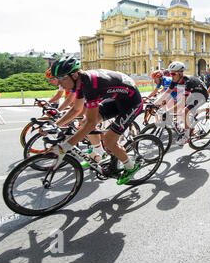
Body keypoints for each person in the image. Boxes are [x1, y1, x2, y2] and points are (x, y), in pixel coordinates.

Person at [49, 56, 143, 185]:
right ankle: (98, 153)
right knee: (84, 122)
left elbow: (91, 123)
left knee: (109, 140)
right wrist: (54, 125)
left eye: (61, 78)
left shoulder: (90, 84)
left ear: (75, 75)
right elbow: (76, 109)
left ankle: (131, 167)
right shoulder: (81, 82)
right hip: (117, 99)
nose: (59, 83)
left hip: (132, 103)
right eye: (57, 79)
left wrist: (65, 146)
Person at [154, 61, 209, 146]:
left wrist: (168, 111)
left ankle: (186, 137)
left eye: (173, 74)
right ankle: (189, 125)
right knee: (177, 107)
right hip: (192, 93)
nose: (171, 76)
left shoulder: (187, 82)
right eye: (170, 74)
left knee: (184, 111)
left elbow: (181, 103)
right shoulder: (176, 80)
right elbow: (167, 92)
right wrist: (156, 102)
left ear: (180, 73)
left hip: (201, 95)